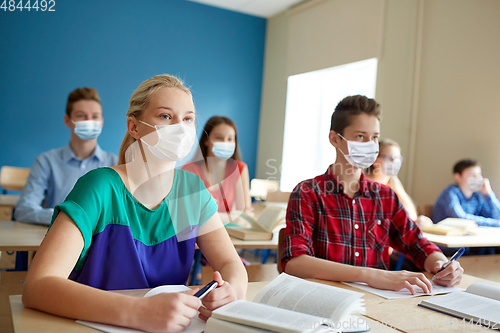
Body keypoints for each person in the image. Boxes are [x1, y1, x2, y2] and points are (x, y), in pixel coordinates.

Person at [22, 74, 248, 332]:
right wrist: (139, 312)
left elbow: (232, 265)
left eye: (188, 119)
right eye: (165, 116)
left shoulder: (191, 192)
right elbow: (37, 286)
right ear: (134, 127)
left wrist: (232, 292)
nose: (180, 127)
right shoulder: (100, 187)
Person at [280, 95, 463, 294]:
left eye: (374, 137)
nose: (370, 144)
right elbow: (294, 263)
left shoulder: (385, 196)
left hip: (376, 303)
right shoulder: (307, 193)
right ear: (334, 139)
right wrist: (370, 275)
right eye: (360, 136)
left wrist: (442, 265)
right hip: (324, 300)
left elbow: (416, 243)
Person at [14, 88, 118, 225]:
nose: (89, 121)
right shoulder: (46, 161)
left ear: (102, 122)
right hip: (57, 240)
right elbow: (24, 210)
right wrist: (66, 218)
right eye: (81, 116)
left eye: (95, 117)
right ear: (67, 120)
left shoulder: (116, 164)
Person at [182, 116, 253, 224]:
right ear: (206, 140)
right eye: (219, 138)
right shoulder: (189, 170)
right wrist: (232, 217)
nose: (225, 143)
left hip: (231, 234)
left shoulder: (240, 168)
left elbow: (244, 213)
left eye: (230, 139)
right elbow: (190, 215)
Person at [365, 138, 433, 228]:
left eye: (398, 158)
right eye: (391, 158)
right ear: (374, 159)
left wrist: (418, 222)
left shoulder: (394, 184)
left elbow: (410, 216)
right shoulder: (365, 186)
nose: (395, 163)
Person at [432, 159, 500, 227]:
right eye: (472, 175)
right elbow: (460, 218)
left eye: (479, 174)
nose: (477, 178)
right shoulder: (450, 193)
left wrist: (489, 194)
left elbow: (495, 217)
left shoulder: (476, 196)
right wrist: (496, 223)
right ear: (458, 177)